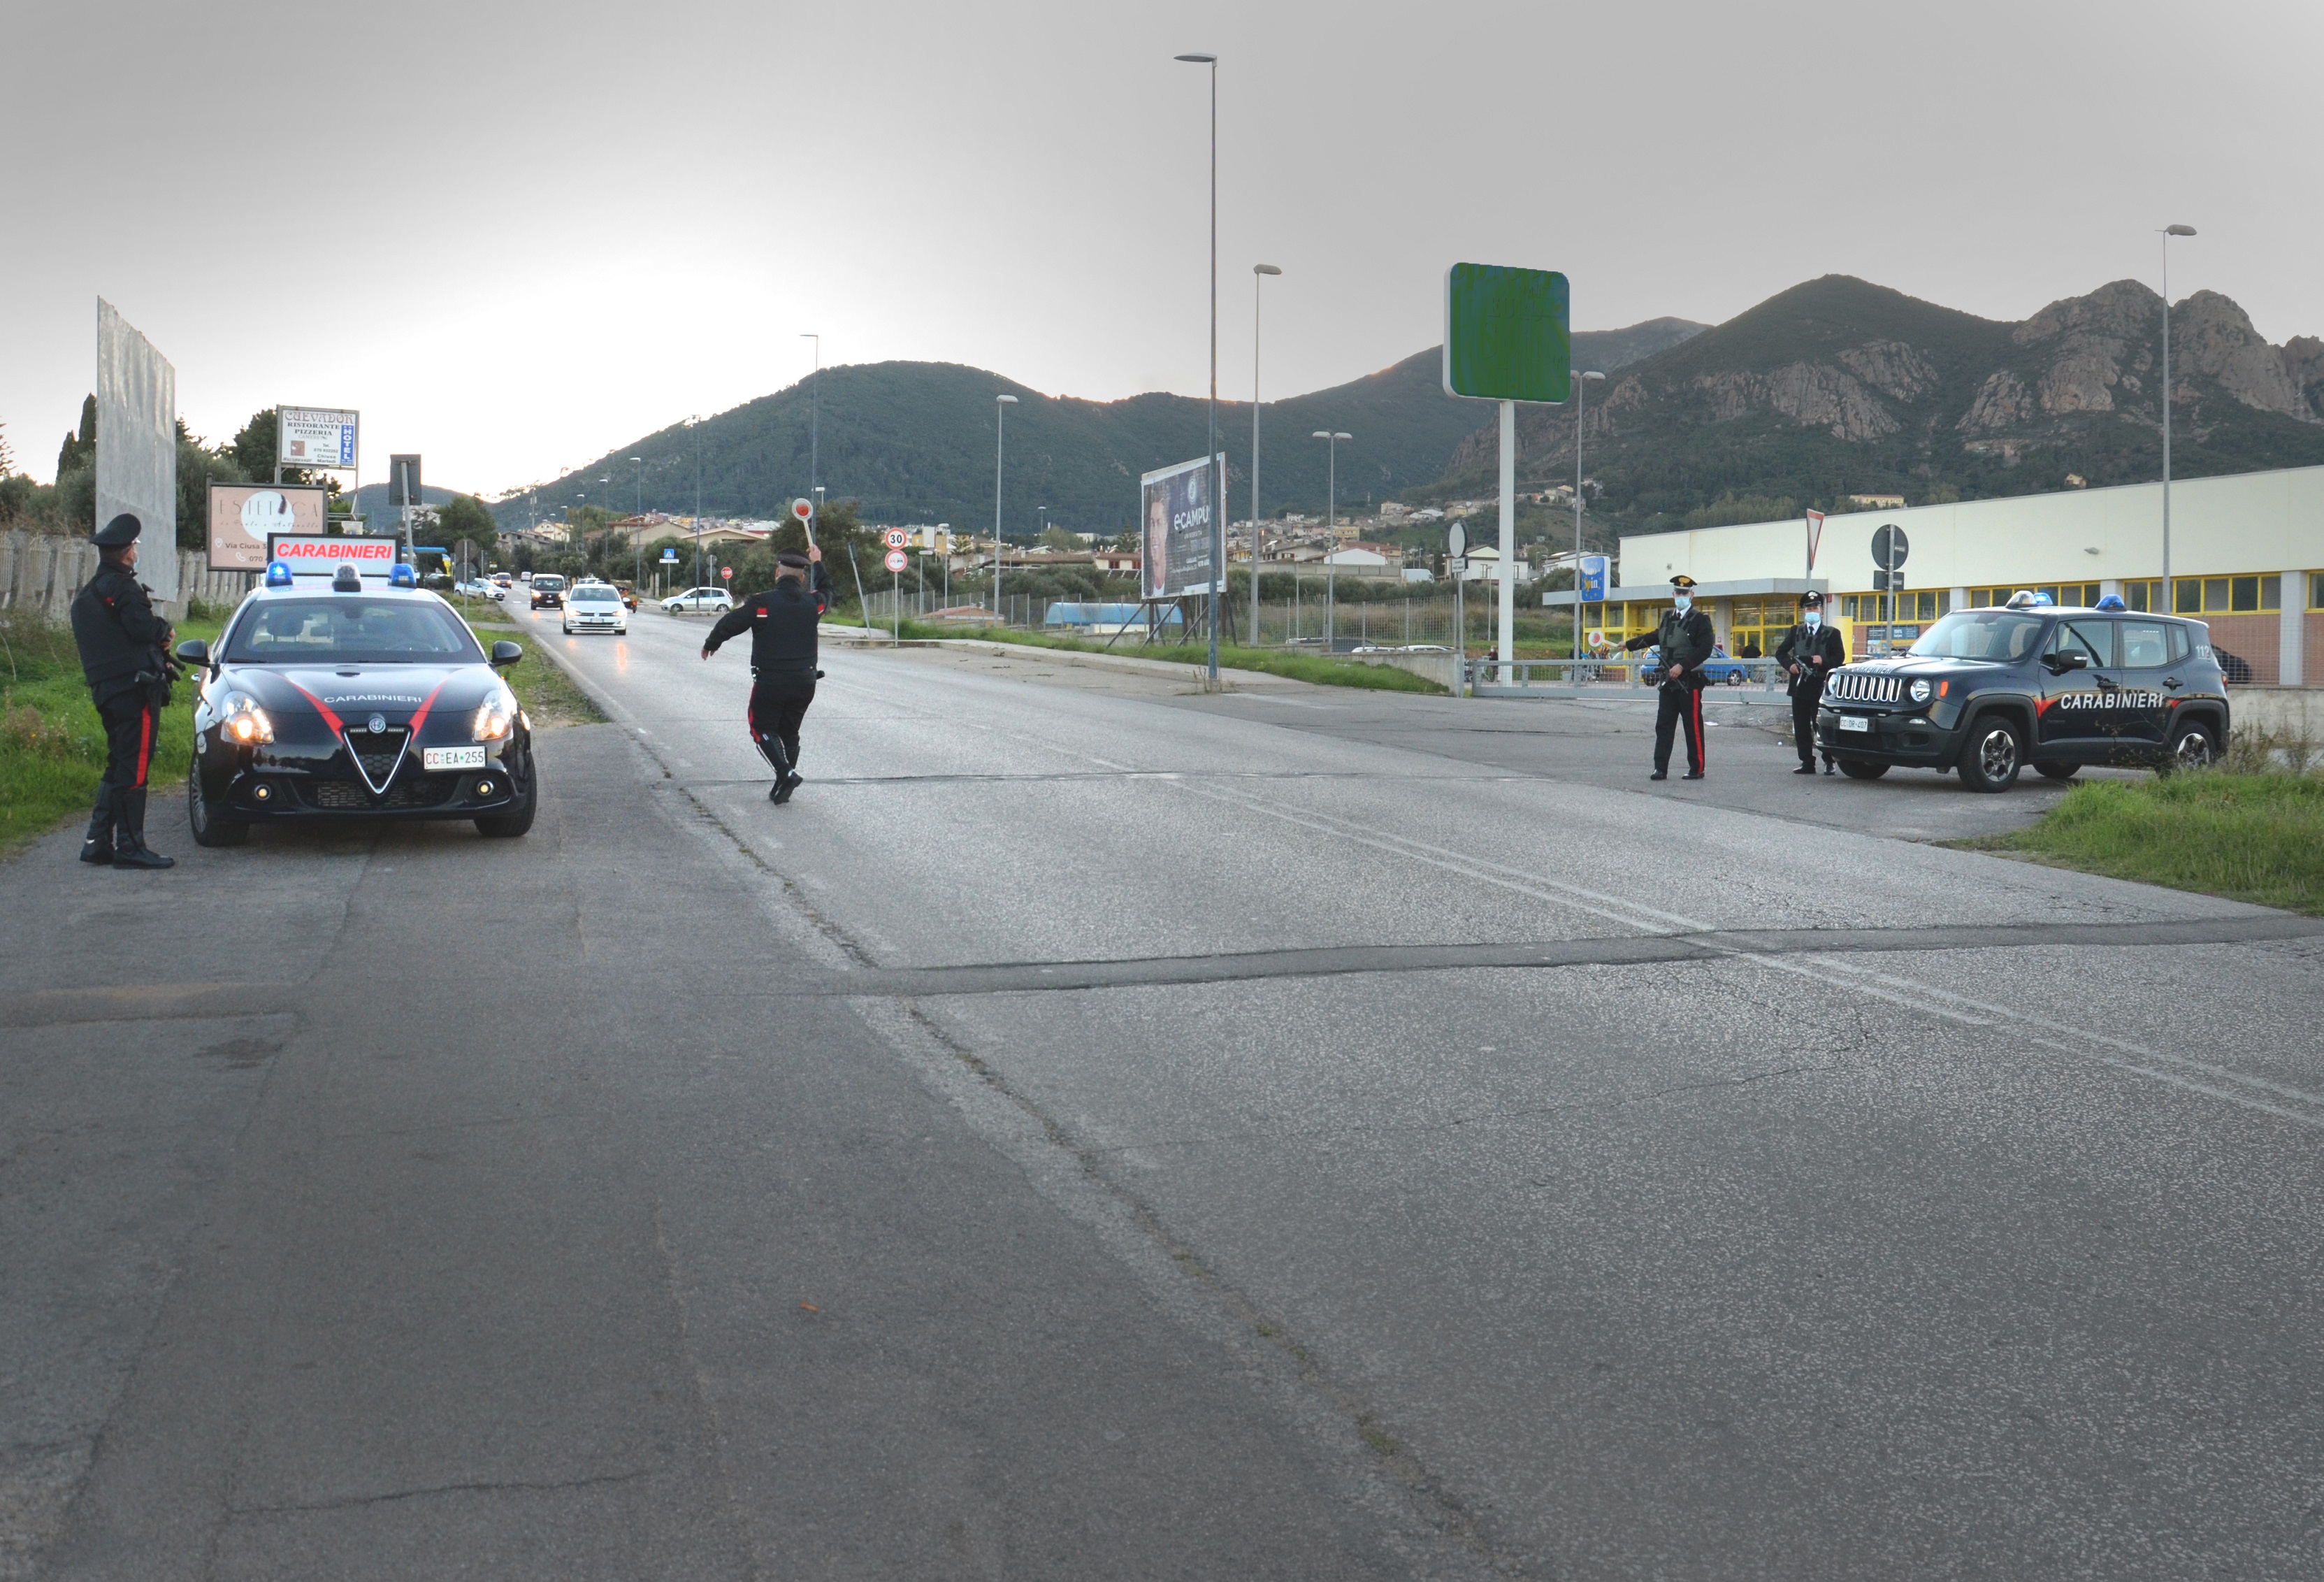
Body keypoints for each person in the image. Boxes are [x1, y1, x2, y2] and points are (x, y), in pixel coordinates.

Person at [69, 512, 178, 868]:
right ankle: (131, 848)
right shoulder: (124, 588)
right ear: (129, 552)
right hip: (136, 691)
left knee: (118, 762)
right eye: (135, 547)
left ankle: (97, 842)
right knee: (135, 765)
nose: (136, 552)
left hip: (105, 691)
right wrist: (164, 630)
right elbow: (142, 628)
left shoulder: (87, 595)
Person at [701, 545, 831, 803]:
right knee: (789, 732)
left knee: (760, 727)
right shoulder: (813, 604)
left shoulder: (762, 603)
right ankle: (783, 782)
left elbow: (732, 622)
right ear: (802, 578)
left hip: (771, 680)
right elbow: (827, 590)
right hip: (805, 681)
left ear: (777, 574)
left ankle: (785, 773)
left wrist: (712, 643)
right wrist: (818, 562)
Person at [1622, 574, 1715, 781]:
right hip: (1668, 681)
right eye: (1678, 593)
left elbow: (1705, 649)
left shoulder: (1701, 620)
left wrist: (1682, 666)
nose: (1681, 596)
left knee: (1692, 726)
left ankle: (1697, 768)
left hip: (1689, 682)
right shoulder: (1667, 618)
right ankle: (1660, 768)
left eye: (1685, 593)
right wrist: (1628, 645)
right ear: (1673, 595)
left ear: (1692, 595)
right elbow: (1655, 636)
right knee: (1663, 725)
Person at [1775, 590, 1847, 775]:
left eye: (1815, 608)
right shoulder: (1796, 631)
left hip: (1820, 686)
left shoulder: (1832, 633)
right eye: (1809, 609)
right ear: (1804, 611)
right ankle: (1807, 762)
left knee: (1820, 725)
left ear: (1821, 610)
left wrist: (1824, 661)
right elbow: (1780, 652)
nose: (1812, 611)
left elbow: (1839, 657)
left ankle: (1829, 761)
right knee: (1801, 726)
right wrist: (1790, 665)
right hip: (1799, 686)